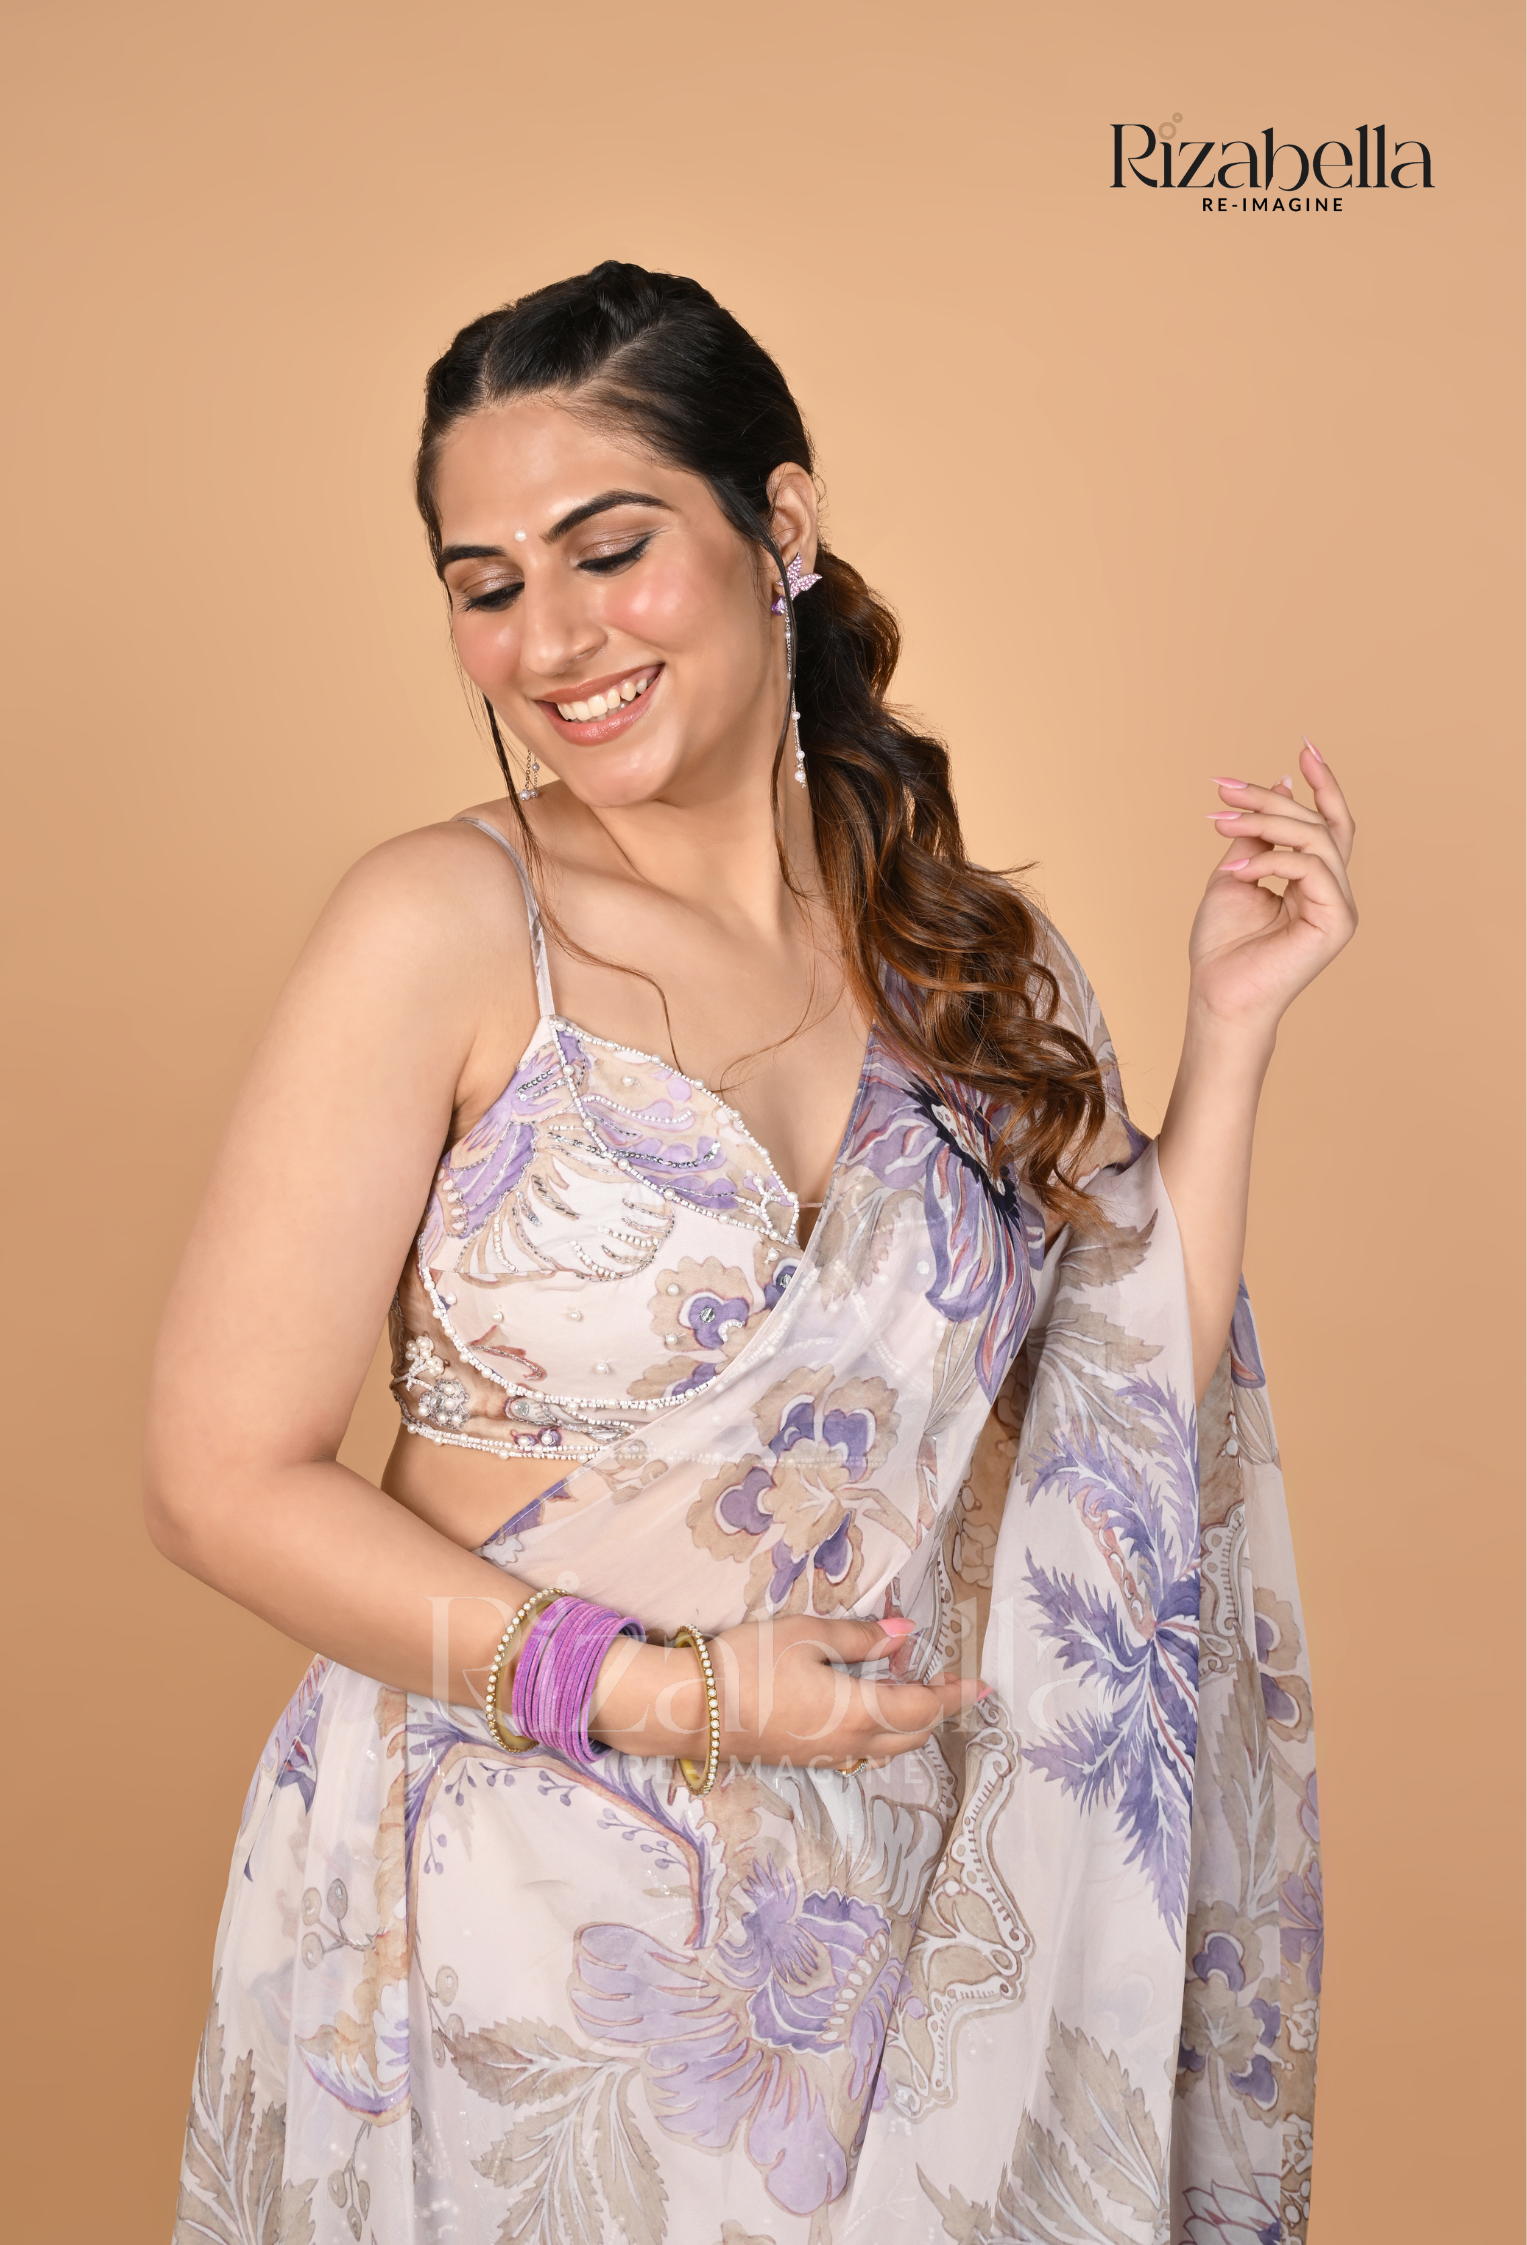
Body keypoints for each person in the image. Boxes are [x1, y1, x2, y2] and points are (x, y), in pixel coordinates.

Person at [149, 262, 1350, 2245]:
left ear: (776, 522)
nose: (549, 639)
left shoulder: (964, 962)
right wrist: (669, 1699)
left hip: (872, 1910)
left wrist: (1229, 1036)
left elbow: (1125, 1399)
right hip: (488, 1900)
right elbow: (218, 1479)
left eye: (607, 550)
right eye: (484, 584)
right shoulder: (442, 928)